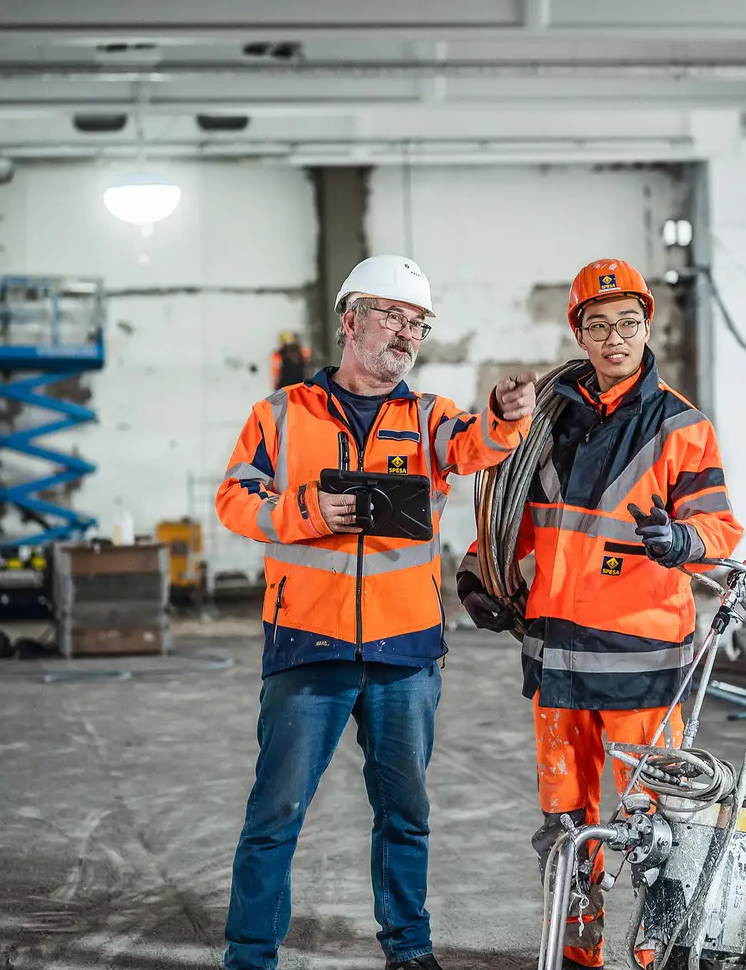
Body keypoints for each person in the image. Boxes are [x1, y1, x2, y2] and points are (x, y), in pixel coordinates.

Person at [215, 254, 538, 970]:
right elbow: (234, 500)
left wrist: (504, 414)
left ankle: (410, 950)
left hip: (406, 654)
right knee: (275, 815)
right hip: (308, 648)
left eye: (418, 322)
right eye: (392, 315)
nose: (405, 332)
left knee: (405, 815)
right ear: (351, 319)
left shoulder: (430, 418)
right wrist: (309, 510)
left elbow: (477, 446)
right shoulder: (281, 413)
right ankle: (249, 957)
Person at [457, 259, 744, 970]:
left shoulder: (681, 426)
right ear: (579, 333)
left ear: (648, 327)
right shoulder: (546, 422)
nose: (615, 337)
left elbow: (718, 533)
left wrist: (682, 541)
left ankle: (661, 956)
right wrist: (479, 571)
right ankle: (576, 954)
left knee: (657, 825)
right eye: (599, 325)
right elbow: (515, 517)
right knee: (564, 822)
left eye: (628, 323)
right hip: (557, 657)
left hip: (642, 663)